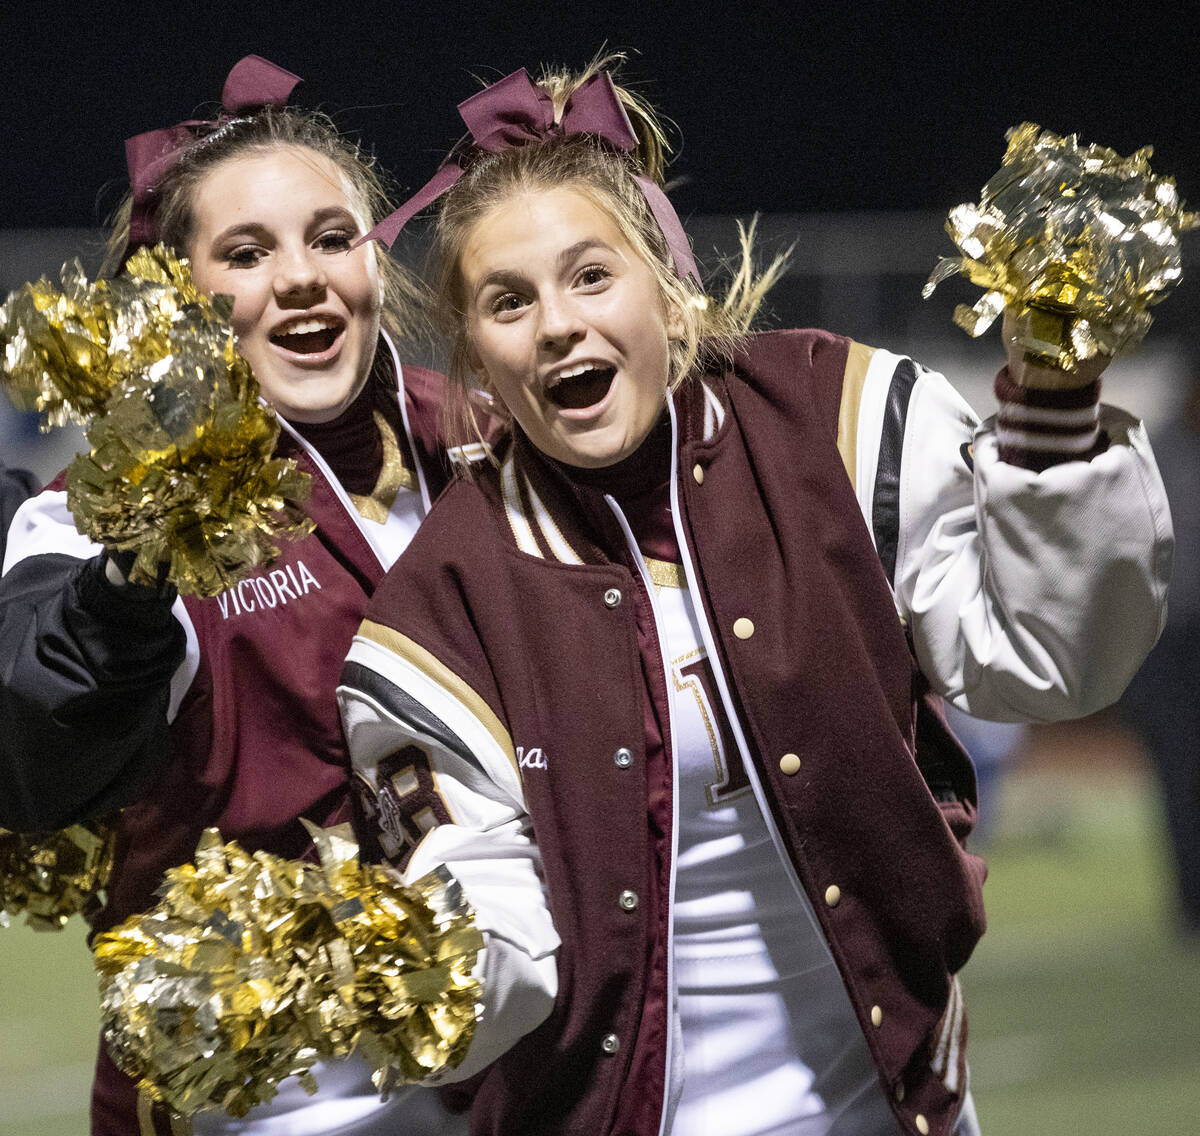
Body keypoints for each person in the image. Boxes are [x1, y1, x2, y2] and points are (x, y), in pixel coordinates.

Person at [337, 60, 1173, 1136]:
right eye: (509, 301)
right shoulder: (443, 605)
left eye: (591, 275)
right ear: (479, 362)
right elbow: (487, 938)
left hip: (898, 1104)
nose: (555, 324)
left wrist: (1055, 398)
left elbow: (1045, 660)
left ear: (665, 282)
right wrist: (387, 969)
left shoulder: (836, 417)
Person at [0, 57, 468, 1136]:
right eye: (247, 254)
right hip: (254, 1111)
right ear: (180, 293)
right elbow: (31, 737)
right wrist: (132, 567)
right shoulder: (101, 515)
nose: (300, 278)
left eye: (330, 237)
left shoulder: (485, 446)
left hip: (519, 1094)